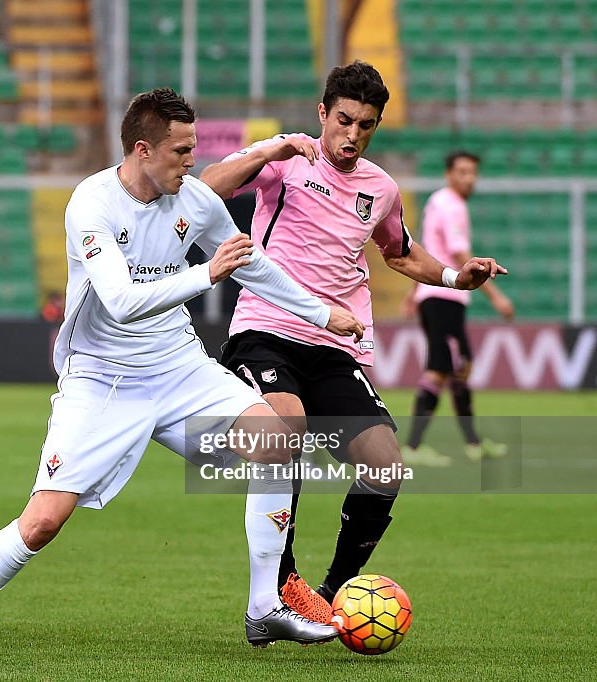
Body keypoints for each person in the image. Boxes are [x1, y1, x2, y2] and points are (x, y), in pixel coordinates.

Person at [0, 88, 366, 660]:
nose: (190, 161)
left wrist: (322, 313)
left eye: (193, 149)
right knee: (43, 522)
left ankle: (262, 608)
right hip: (102, 378)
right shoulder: (90, 204)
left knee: (275, 441)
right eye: (180, 151)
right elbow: (121, 301)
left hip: (178, 366)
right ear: (142, 149)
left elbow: (252, 265)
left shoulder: (194, 200)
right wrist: (206, 276)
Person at [200, 61, 507, 624]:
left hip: (336, 347)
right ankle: (282, 581)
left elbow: (399, 252)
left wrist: (454, 279)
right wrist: (268, 152)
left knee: (385, 466)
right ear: (323, 113)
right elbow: (204, 191)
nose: (352, 135)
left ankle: (334, 590)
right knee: (283, 428)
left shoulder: (381, 188)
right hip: (266, 330)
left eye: (366, 125)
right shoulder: (287, 163)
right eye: (344, 120)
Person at [402, 150, 514, 465]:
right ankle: (412, 447)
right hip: (442, 297)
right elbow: (460, 254)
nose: (469, 179)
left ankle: (473, 444)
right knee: (441, 367)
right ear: (449, 174)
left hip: (438, 297)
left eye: (473, 172)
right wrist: (496, 297)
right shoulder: (450, 204)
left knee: (460, 367)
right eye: (463, 172)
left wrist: (413, 292)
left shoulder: (441, 203)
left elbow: (425, 249)